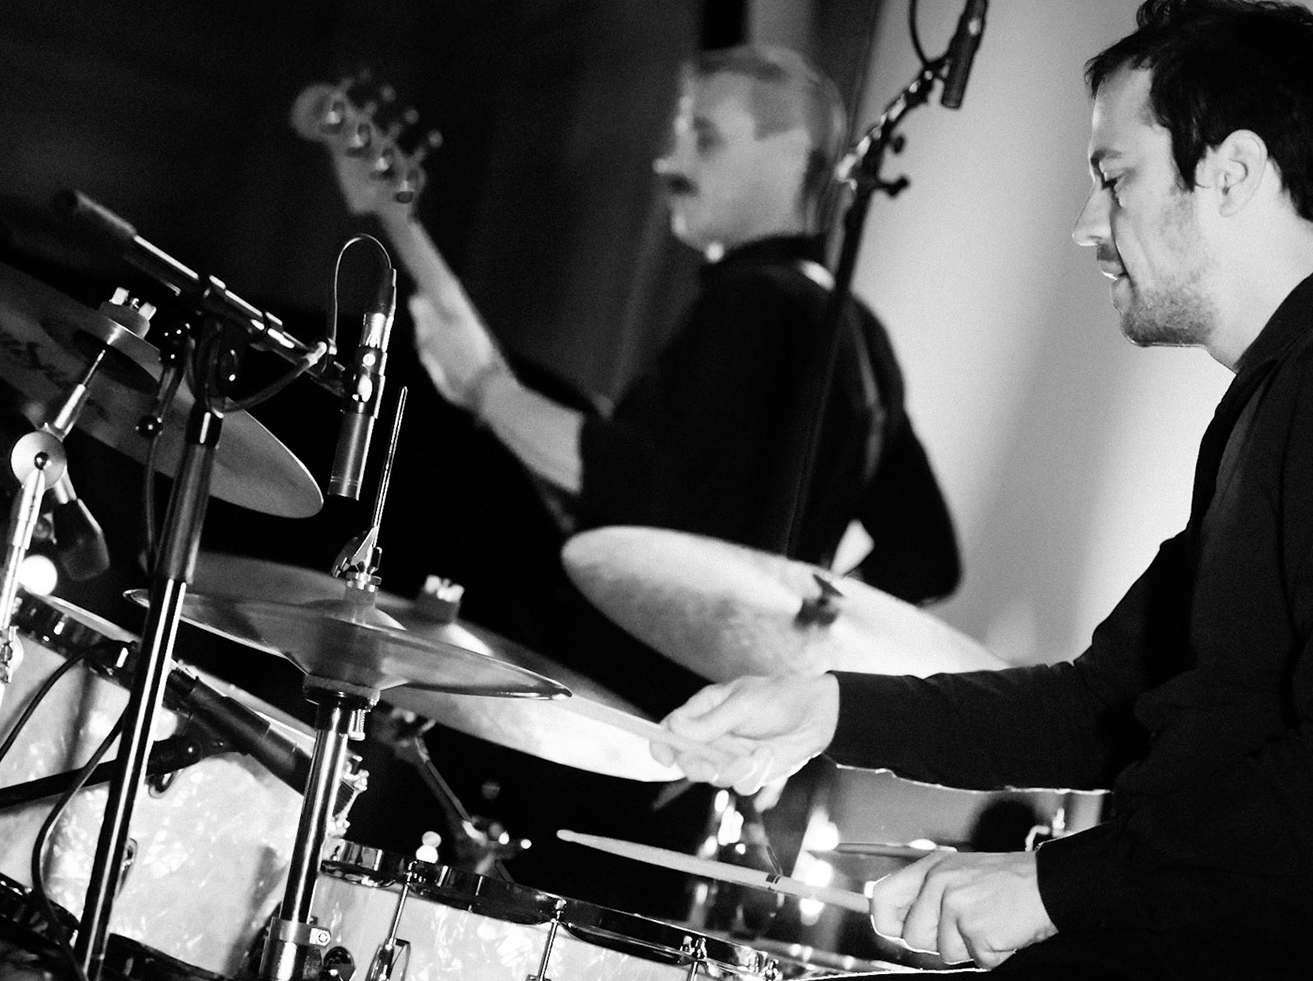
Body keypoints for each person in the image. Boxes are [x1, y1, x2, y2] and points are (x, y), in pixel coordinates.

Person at [518, 0, 1313, 981]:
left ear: (1234, 173)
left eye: (1115, 177)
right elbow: (1105, 704)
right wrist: (825, 706)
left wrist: (1055, 883)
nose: (1086, 222)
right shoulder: (1286, 393)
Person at [410, 44, 961, 713]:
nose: (669, 163)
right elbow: (925, 556)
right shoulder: (862, 335)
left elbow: (642, 481)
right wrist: (789, 640)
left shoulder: (751, 300)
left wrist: (484, 391)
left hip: (623, 698)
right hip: (716, 718)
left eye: (704, 137)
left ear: (791, 152)